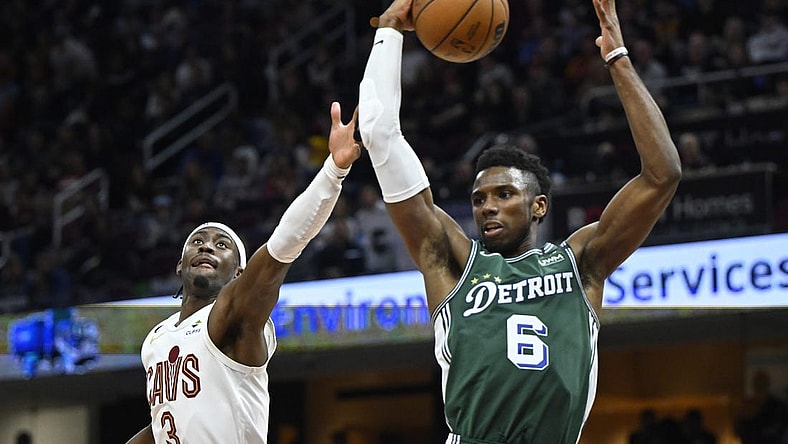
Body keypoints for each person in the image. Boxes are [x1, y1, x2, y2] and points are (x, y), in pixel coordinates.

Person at [357, 0, 682, 442]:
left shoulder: (580, 262)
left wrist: (617, 59)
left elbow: (663, 175)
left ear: (539, 206)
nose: (487, 206)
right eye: (478, 199)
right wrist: (391, 28)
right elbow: (380, 137)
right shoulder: (452, 264)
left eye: (504, 194)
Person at [125, 102, 361, 444]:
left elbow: (282, 247)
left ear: (240, 274)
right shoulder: (156, 339)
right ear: (179, 264)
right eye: (197, 242)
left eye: (222, 245)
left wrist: (333, 171)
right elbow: (167, 420)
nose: (206, 247)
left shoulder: (236, 314)